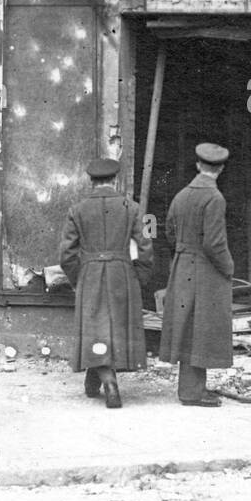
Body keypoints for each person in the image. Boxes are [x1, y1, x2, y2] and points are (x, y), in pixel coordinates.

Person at [59, 158, 154, 408]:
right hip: (122, 272)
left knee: (96, 327)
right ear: (115, 180)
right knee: (115, 328)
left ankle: (108, 382)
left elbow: (67, 254)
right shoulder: (133, 208)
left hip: (90, 273)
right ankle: (101, 379)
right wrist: (140, 276)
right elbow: (146, 247)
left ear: (91, 181)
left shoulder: (76, 210)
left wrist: (77, 278)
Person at [159, 142, 233, 407]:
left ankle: (193, 388)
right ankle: (192, 392)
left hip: (183, 265)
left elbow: (168, 231)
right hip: (205, 269)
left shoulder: (181, 195)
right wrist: (228, 267)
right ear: (221, 169)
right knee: (200, 328)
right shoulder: (214, 198)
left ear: (198, 165)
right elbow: (214, 243)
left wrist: (181, 253)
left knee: (188, 327)